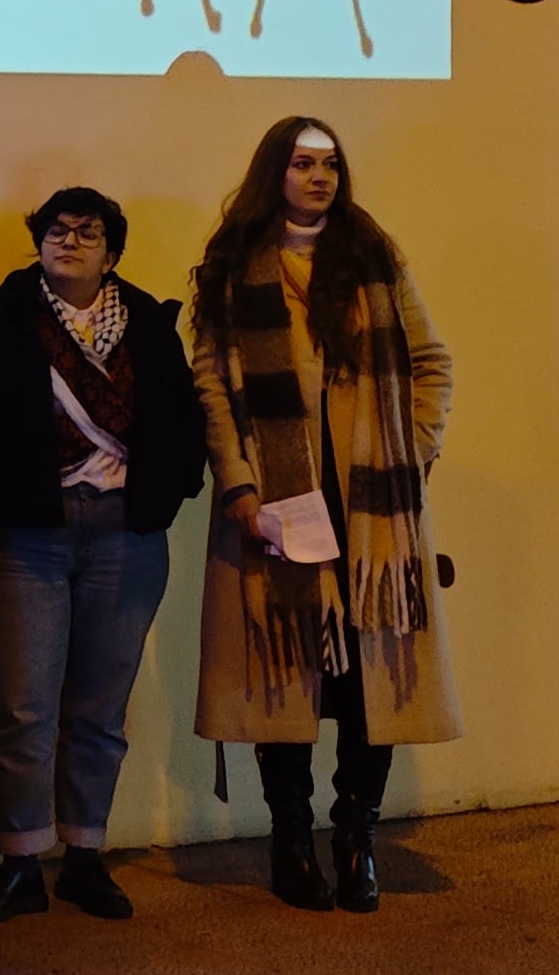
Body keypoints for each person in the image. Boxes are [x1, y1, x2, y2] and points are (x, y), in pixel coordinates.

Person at [188, 116, 458, 916]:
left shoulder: (374, 257)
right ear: (273, 172)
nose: (320, 177)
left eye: (331, 164)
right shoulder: (233, 266)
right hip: (277, 504)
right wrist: (240, 488)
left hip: (371, 512)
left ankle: (355, 836)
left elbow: (432, 363)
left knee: (369, 684)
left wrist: (409, 454)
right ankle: (291, 839)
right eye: (303, 163)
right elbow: (211, 387)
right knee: (288, 682)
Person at [0, 186, 209, 924]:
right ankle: (20, 860)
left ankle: (85, 856)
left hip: (126, 532)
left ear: (113, 251)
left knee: (101, 706)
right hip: (28, 533)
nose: (69, 241)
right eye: (56, 230)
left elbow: (184, 420)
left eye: (87, 231)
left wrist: (164, 495)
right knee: (22, 706)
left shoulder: (151, 327)